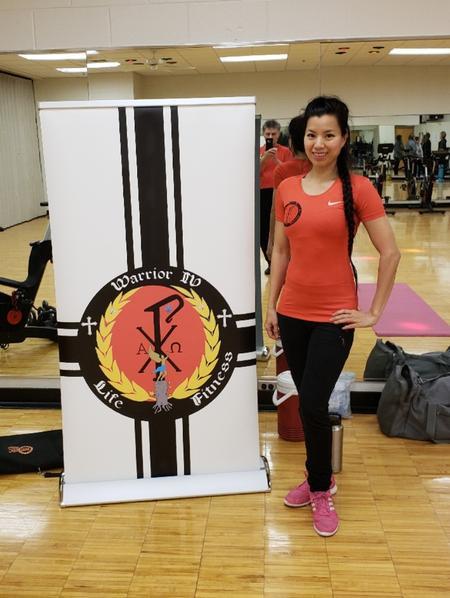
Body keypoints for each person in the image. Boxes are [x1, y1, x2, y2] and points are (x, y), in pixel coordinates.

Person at [265, 96, 400, 537]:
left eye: (328, 134)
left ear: (344, 139)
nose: (318, 143)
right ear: (302, 137)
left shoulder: (357, 188)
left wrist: (373, 312)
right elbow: (280, 251)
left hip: (335, 318)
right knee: (309, 403)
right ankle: (317, 476)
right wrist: (271, 304)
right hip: (292, 313)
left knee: (313, 403)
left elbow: (390, 253)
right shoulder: (288, 188)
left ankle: (321, 488)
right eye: (311, 134)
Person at [267, 114, 311, 260]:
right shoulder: (323, 168)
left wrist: (271, 241)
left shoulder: (282, 169)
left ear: (291, 141)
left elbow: (275, 210)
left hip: (289, 230)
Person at [259, 119, 292, 274]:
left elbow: (289, 171)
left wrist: (276, 160)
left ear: (279, 135)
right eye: (268, 134)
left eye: (273, 134)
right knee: (263, 229)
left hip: (281, 191)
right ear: (263, 134)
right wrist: (264, 159)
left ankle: (283, 262)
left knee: (282, 229)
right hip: (262, 193)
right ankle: (270, 262)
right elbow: (254, 173)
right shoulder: (258, 151)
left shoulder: (286, 152)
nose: (270, 136)